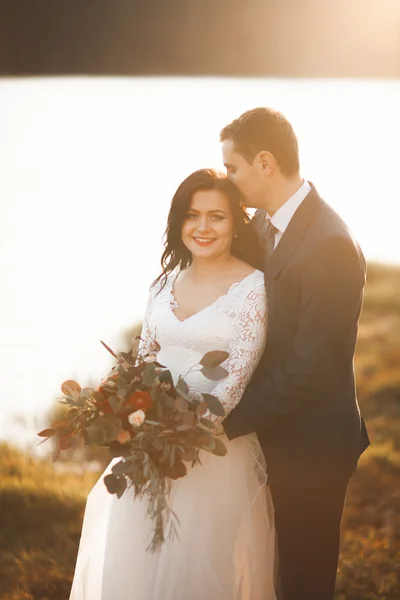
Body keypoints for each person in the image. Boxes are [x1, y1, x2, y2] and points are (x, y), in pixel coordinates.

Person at [69, 169, 277, 600]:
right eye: (192, 215)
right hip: (146, 449)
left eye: (216, 217)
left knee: (196, 568)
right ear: (178, 221)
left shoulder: (253, 288)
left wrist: (184, 433)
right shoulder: (164, 283)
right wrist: (130, 416)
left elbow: (235, 376)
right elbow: (143, 359)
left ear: (237, 222)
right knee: (133, 559)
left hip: (211, 451)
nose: (203, 228)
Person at [220, 107, 370, 600]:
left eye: (232, 168)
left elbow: (313, 367)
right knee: (270, 574)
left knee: (305, 582)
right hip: (274, 437)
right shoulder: (265, 224)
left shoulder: (329, 243)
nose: (229, 180)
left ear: (265, 163)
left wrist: (226, 420)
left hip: (312, 449)